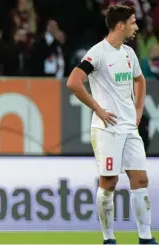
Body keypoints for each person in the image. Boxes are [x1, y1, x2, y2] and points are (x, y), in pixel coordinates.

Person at [67, 4, 157, 245]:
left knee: (140, 180)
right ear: (120, 25)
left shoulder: (128, 53)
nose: (136, 26)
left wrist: (138, 110)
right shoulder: (97, 53)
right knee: (110, 182)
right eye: (133, 22)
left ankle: (145, 238)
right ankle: (108, 239)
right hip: (107, 129)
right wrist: (98, 109)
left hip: (129, 127)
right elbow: (74, 82)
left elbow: (140, 80)